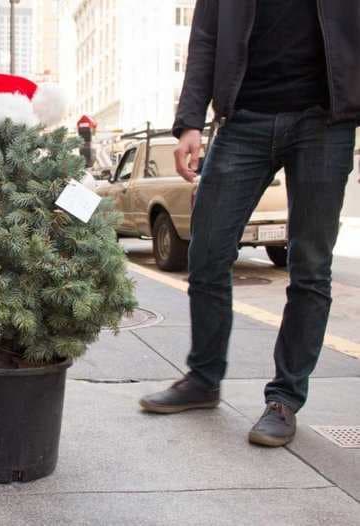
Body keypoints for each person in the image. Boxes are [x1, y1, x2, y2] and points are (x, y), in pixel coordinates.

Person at [139, 0, 360, 448]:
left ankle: (283, 400)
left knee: (310, 265)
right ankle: (204, 378)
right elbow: (204, 37)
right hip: (243, 119)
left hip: (325, 120)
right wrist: (189, 123)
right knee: (206, 252)